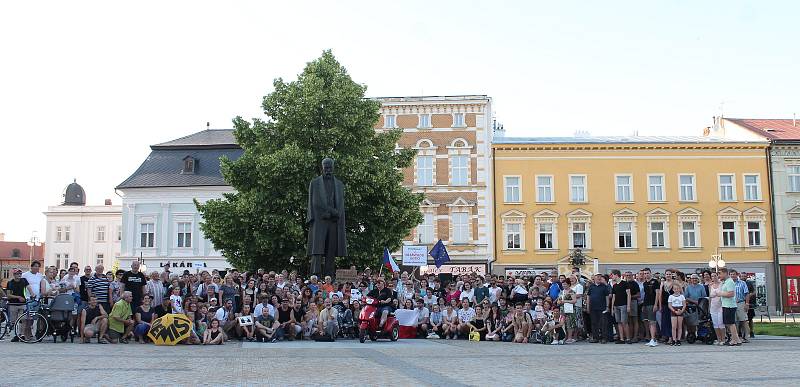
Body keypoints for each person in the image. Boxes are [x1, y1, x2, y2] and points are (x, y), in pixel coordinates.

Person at [718, 268, 742, 346]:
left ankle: (734, 340)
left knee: (730, 323)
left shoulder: (729, 282)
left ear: (725, 273)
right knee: (728, 323)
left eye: (720, 273)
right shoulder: (725, 282)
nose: (719, 275)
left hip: (729, 306)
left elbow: (731, 294)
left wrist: (720, 293)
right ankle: (737, 339)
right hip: (726, 305)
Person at [4, 268, 29, 342]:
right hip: (13, 304)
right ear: (14, 275)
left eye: (20, 274)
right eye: (17, 274)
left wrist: (32, 294)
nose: (19, 275)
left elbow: (29, 288)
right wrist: (18, 297)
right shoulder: (10, 283)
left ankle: (22, 335)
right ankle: (16, 335)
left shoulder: (24, 281)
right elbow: (8, 295)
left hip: (22, 303)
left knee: (23, 319)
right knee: (13, 321)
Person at [586, 274, 610, 344]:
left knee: (603, 323)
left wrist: (607, 306)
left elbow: (607, 297)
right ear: (595, 279)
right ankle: (595, 337)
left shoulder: (604, 287)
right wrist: (588, 306)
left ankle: (604, 338)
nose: (599, 279)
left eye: (600, 278)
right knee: (594, 323)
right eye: (597, 278)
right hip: (593, 307)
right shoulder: (591, 286)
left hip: (602, 308)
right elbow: (588, 297)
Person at [610, 269, 632, 344]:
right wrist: (612, 307)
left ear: (616, 275)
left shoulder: (625, 283)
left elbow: (629, 294)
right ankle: (622, 339)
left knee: (624, 322)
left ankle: (628, 338)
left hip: (623, 305)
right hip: (616, 306)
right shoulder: (614, 285)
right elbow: (613, 297)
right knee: (618, 322)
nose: (611, 277)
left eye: (612, 275)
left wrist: (628, 305)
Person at [683, 274, 707, 340]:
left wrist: (699, 302)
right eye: (693, 278)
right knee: (690, 321)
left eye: (696, 278)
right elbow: (686, 297)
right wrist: (694, 301)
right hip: (691, 306)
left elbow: (704, 296)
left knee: (700, 321)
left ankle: (700, 334)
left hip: (700, 306)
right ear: (691, 279)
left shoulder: (701, 287)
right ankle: (691, 334)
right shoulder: (688, 287)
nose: (694, 280)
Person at [641, 268, 660, 347]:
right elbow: (645, 295)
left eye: (647, 273)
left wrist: (656, 304)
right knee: (648, 321)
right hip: (646, 304)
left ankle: (653, 339)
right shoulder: (645, 283)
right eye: (645, 273)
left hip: (652, 304)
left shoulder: (655, 282)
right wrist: (643, 305)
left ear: (650, 273)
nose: (646, 275)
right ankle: (652, 338)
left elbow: (657, 294)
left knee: (652, 322)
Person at [731, 270, 751, 342]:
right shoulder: (729, 283)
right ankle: (736, 337)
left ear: (737, 275)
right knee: (734, 321)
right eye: (731, 274)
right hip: (732, 304)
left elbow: (747, 294)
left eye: (734, 274)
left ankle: (746, 336)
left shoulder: (742, 283)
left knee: (743, 320)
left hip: (740, 303)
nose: (732, 276)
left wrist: (747, 303)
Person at [708, 272, 726, 345]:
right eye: (712, 276)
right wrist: (709, 307)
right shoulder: (710, 285)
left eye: (715, 276)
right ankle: (718, 339)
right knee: (715, 324)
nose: (713, 277)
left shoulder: (722, 284)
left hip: (720, 306)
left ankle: (723, 339)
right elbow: (710, 297)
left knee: (721, 323)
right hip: (713, 306)